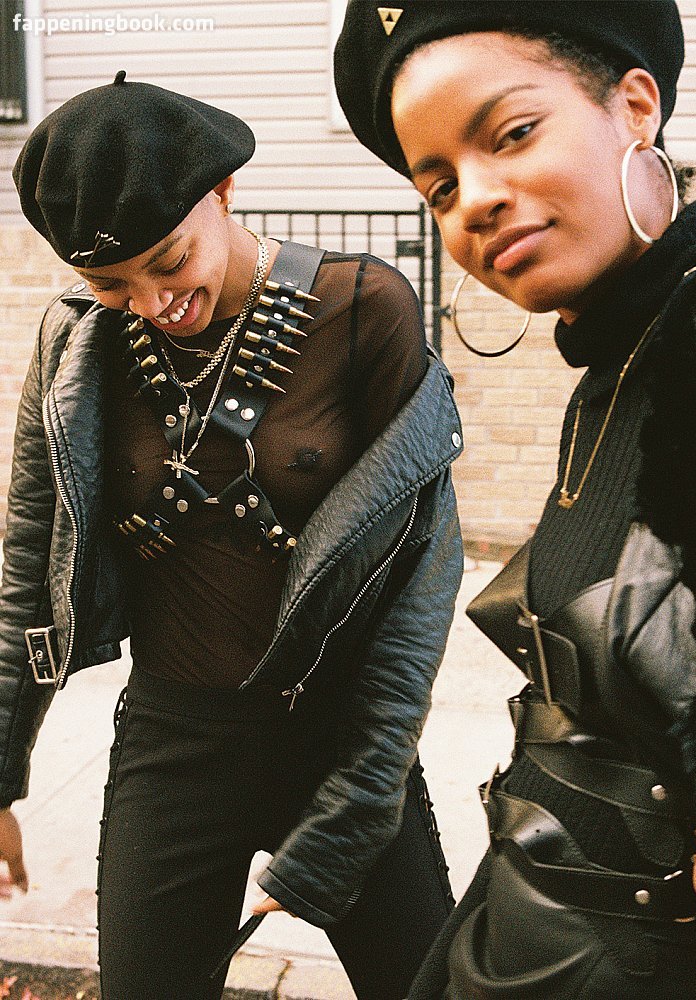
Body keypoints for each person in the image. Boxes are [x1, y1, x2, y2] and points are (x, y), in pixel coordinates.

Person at [0, 73, 466, 999]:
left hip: (339, 737)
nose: (150, 303)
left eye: (169, 261)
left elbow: (423, 574)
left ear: (222, 191)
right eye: (108, 283)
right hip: (173, 739)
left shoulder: (364, 308)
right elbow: (26, 562)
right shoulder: (77, 347)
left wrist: (365, 793)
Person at [335, 3, 696, 996]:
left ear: (635, 106)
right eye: (440, 185)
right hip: (530, 933)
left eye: (512, 133)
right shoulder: (618, 363)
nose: (476, 201)